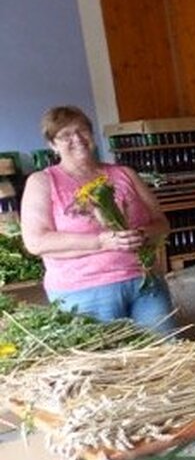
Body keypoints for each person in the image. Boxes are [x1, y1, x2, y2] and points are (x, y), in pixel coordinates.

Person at [21, 105, 175, 334]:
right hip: (83, 290)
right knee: (107, 354)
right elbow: (36, 241)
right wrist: (102, 242)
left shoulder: (124, 174)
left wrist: (142, 234)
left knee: (167, 348)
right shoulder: (42, 182)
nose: (77, 139)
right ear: (52, 144)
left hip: (145, 281)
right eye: (65, 135)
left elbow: (161, 223)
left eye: (82, 130)